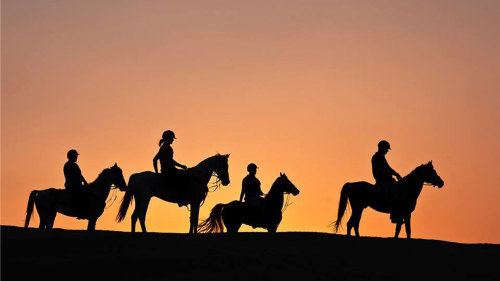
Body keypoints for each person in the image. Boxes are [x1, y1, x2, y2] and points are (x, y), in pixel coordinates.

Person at [153, 130, 188, 205]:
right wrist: (181, 166)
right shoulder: (166, 147)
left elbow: (155, 159)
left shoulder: (164, 147)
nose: (173, 140)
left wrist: (156, 172)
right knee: (184, 177)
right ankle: (181, 199)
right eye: (172, 138)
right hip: (169, 171)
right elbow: (171, 161)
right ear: (168, 138)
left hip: (168, 170)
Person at [371, 140, 403, 223]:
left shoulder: (381, 157)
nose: (387, 151)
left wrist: (396, 174)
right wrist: (389, 175)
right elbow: (381, 169)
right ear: (382, 148)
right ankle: (394, 216)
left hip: (386, 180)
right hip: (382, 181)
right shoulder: (377, 157)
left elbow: (388, 168)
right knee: (394, 194)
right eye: (386, 149)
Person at [64, 149, 88, 215]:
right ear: (72, 156)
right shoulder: (73, 165)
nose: (76, 157)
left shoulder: (67, 164)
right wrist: (84, 182)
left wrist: (84, 181)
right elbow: (78, 175)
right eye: (75, 156)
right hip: (74, 186)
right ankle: (81, 211)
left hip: (73, 185)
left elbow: (80, 175)